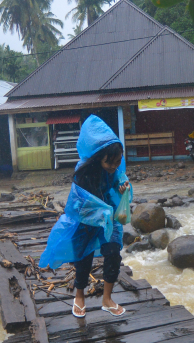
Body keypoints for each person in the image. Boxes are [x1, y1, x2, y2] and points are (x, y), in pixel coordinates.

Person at [39, 115, 131, 318]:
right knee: (84, 258)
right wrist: (101, 210)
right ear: (99, 157)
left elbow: (116, 182)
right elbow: (78, 204)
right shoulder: (82, 172)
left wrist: (121, 187)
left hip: (108, 218)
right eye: (110, 163)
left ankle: (107, 300)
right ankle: (79, 296)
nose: (114, 167)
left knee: (113, 252)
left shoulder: (114, 169)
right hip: (86, 220)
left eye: (117, 163)